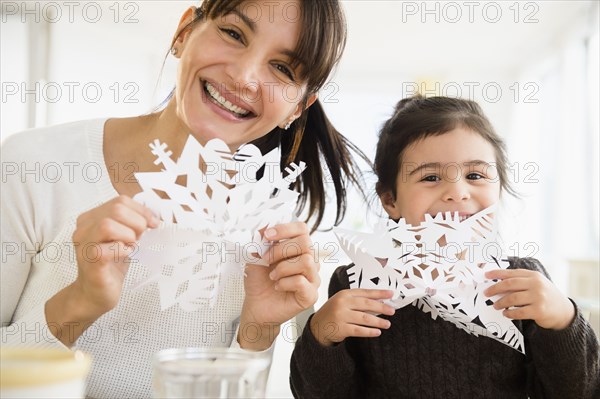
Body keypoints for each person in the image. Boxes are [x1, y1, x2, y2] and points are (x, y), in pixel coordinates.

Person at [0, 1, 368, 397]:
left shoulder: (268, 232)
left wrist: (257, 333)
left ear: (298, 106)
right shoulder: (35, 164)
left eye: (282, 69)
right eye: (233, 34)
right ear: (183, 33)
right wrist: (78, 302)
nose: (244, 77)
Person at [290, 95, 600, 398]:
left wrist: (563, 320)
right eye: (431, 177)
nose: (458, 192)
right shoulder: (359, 283)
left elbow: (579, 390)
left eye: (475, 175)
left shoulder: (522, 280)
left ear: (500, 188)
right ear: (390, 199)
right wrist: (322, 335)